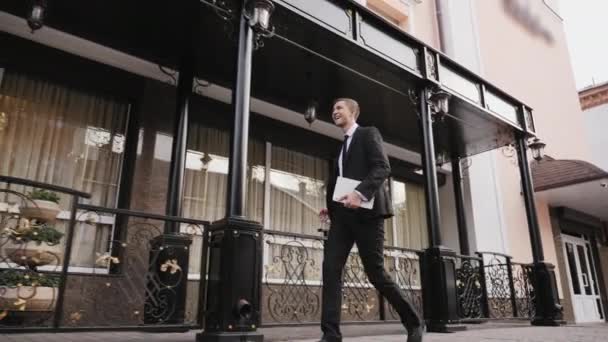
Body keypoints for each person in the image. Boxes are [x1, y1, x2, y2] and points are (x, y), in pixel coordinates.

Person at [318, 98, 423, 342]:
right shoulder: (341, 148)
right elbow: (340, 182)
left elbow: (382, 167)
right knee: (330, 269)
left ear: (353, 112)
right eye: (332, 108)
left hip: (368, 215)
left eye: (339, 108)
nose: (334, 111)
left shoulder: (368, 134)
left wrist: (359, 193)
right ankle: (330, 334)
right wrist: (330, 208)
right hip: (342, 218)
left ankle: (415, 322)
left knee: (375, 272)